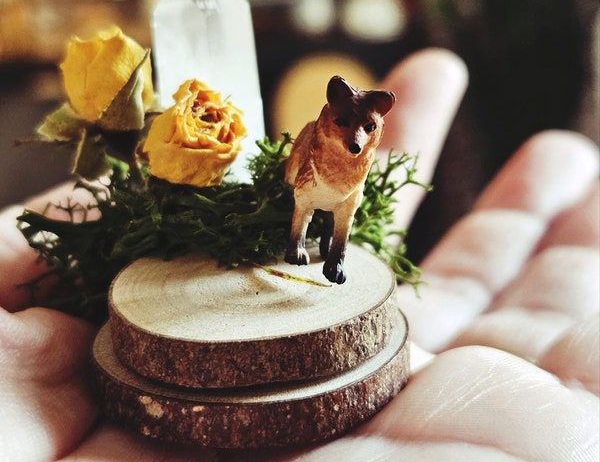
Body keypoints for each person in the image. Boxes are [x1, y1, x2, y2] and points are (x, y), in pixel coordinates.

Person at [0, 49, 597, 461]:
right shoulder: (316, 143)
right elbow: (306, 186)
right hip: (305, 189)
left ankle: (331, 256)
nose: (358, 136)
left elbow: (352, 192)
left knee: (340, 220)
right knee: (307, 210)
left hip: (345, 202)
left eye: (366, 127)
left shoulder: (362, 147)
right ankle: (298, 244)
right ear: (330, 116)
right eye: (348, 124)